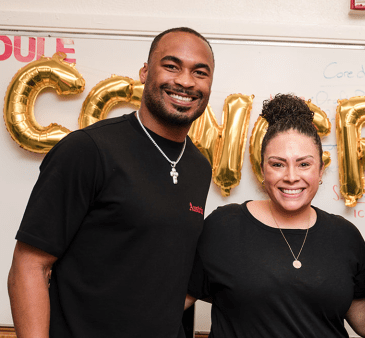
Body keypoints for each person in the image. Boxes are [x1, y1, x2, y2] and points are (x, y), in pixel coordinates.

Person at [7, 27, 214, 338]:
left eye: (200, 72)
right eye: (171, 66)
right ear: (145, 72)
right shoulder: (88, 150)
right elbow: (29, 266)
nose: (185, 81)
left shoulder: (199, 166)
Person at [186, 93, 365, 337]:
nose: (291, 176)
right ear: (262, 168)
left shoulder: (346, 236)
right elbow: (166, 307)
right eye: (277, 164)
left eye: (304, 164)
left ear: (321, 170)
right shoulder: (223, 227)